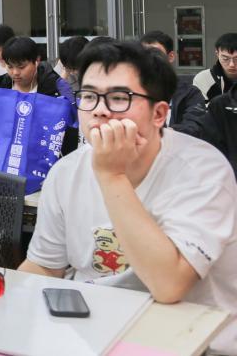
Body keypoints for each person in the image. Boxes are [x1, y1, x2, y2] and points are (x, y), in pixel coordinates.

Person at [20, 41, 237, 353]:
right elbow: (45, 266)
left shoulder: (203, 171)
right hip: (93, 333)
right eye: (89, 96)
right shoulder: (66, 171)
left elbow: (169, 286)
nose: (99, 110)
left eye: (119, 98)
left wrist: (111, 175)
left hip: (196, 343)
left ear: (159, 114)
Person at [140, 31, 207, 135]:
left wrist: (167, 134)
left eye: (156, 54)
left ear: (171, 56)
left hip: (178, 142)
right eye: (144, 54)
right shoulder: (133, 89)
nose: (149, 59)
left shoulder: (190, 93)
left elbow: (195, 125)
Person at [0, 36, 75, 100]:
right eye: (10, 67)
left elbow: (71, 114)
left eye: (21, 67)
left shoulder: (57, 86)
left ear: (37, 60)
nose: (15, 72)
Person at [194, 32, 237, 101]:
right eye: (225, 59)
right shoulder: (203, 78)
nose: (232, 64)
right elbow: (200, 106)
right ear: (217, 54)